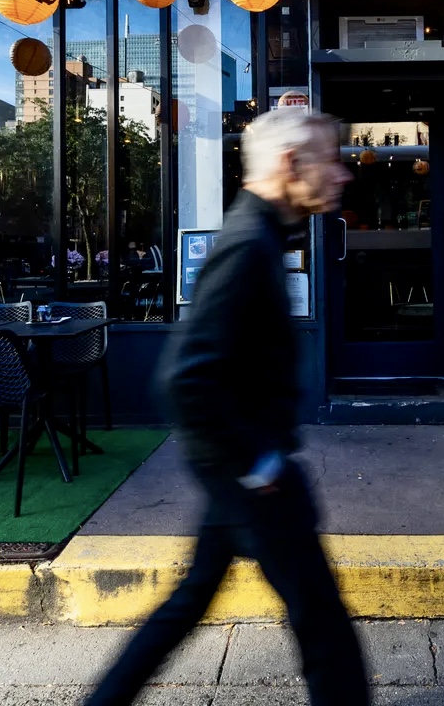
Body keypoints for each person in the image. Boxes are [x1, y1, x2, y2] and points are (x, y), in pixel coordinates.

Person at [83, 109, 364, 706]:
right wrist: (257, 466)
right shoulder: (246, 248)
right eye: (329, 159)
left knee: (189, 602)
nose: (342, 174)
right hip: (254, 473)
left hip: (241, 466)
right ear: (291, 165)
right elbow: (186, 380)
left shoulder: (261, 235)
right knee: (322, 623)